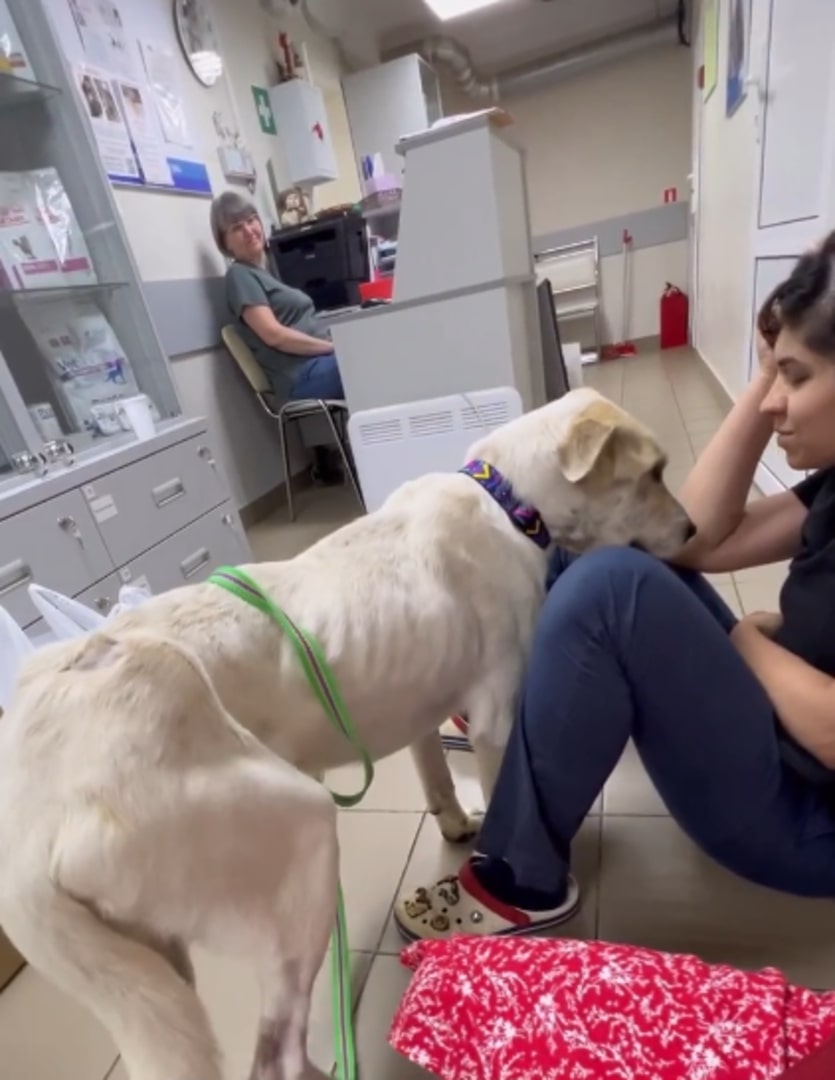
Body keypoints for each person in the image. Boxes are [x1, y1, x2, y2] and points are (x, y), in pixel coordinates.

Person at [395, 235, 835, 941]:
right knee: (603, 548)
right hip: (781, 733)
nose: (775, 403)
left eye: (797, 379)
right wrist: (769, 368)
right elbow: (697, 538)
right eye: (774, 378)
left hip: (806, 814)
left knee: (610, 590)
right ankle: (514, 707)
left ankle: (518, 879)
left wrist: (744, 644)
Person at [210, 190, 345, 482]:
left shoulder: (267, 271)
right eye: (236, 228)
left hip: (314, 368)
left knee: (370, 354)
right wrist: (332, 347)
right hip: (299, 378)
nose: (248, 230)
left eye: (251, 220)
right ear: (224, 242)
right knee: (365, 361)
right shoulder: (240, 277)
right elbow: (274, 336)